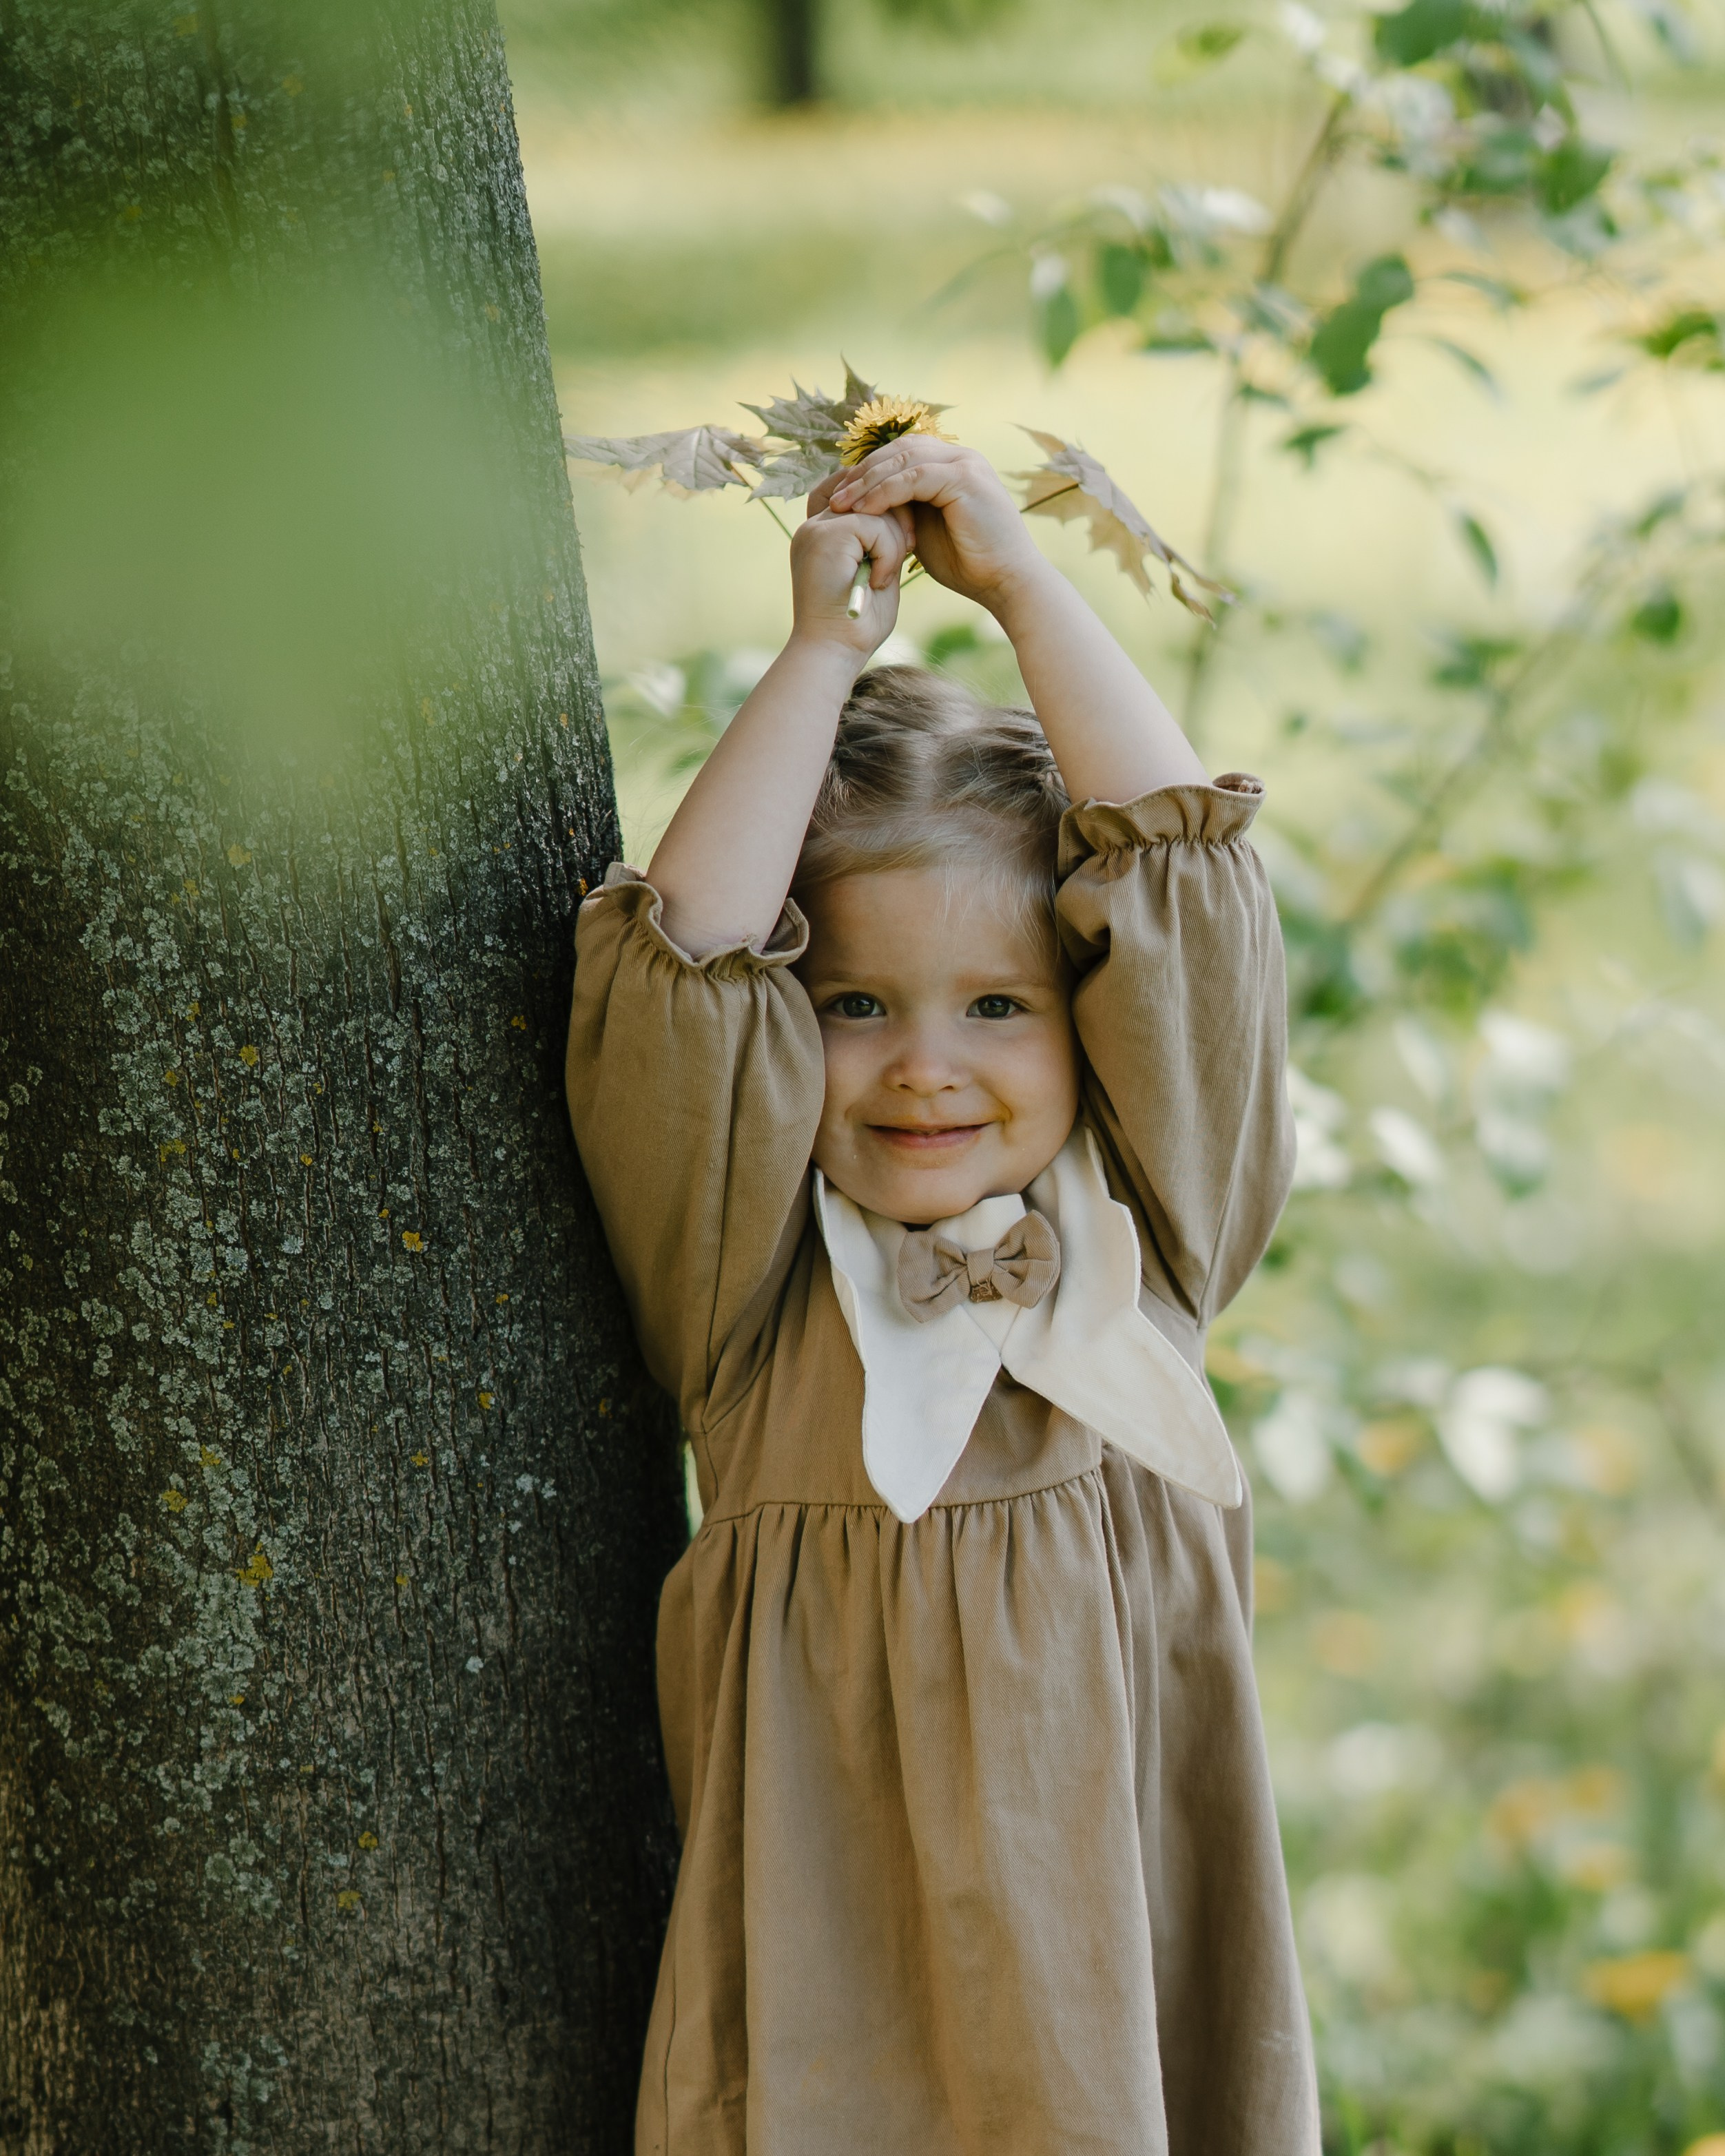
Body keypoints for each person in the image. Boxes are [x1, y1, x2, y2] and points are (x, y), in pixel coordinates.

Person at [566, 434, 1319, 2154]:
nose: (925, 1070)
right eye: (853, 1007)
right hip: (847, 2007)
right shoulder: (746, 1287)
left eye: (997, 1006)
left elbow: (1190, 895)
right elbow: (682, 970)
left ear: (1089, 1026)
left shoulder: (1148, 1234)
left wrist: (1026, 589)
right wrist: (818, 654)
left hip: (1128, 1982)